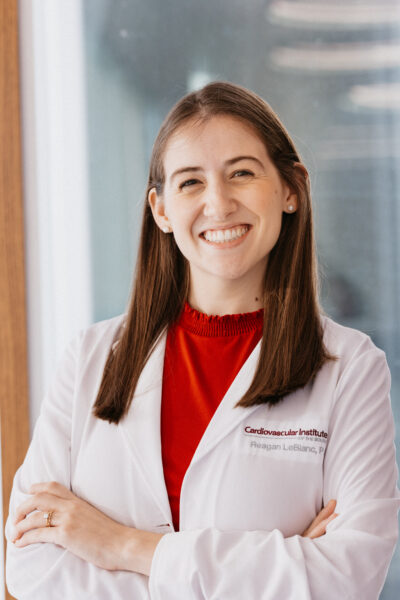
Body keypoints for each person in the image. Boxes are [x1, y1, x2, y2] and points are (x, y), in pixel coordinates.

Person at [5, 81, 400, 600]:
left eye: (241, 173)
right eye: (191, 182)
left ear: (290, 189)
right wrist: (275, 569)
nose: (218, 203)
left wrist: (123, 547)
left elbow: (347, 579)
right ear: (162, 209)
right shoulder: (90, 359)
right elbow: (30, 566)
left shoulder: (349, 368)